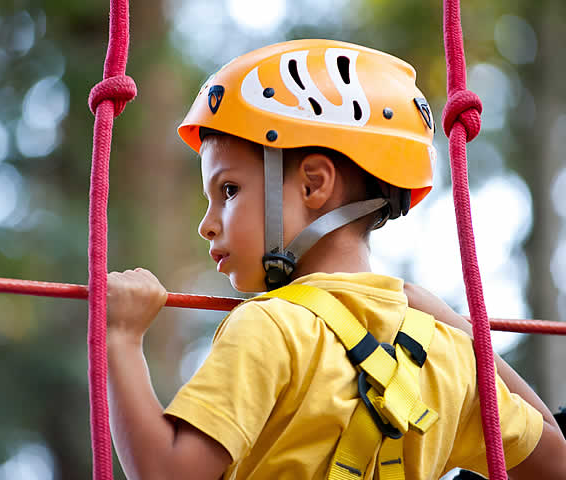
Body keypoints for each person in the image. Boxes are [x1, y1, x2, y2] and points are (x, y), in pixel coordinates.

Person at [105, 39, 566, 479]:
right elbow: (557, 459)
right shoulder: (445, 356)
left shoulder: (272, 327)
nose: (207, 224)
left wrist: (121, 338)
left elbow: (166, 472)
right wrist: (460, 332)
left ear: (313, 185)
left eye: (228, 190)